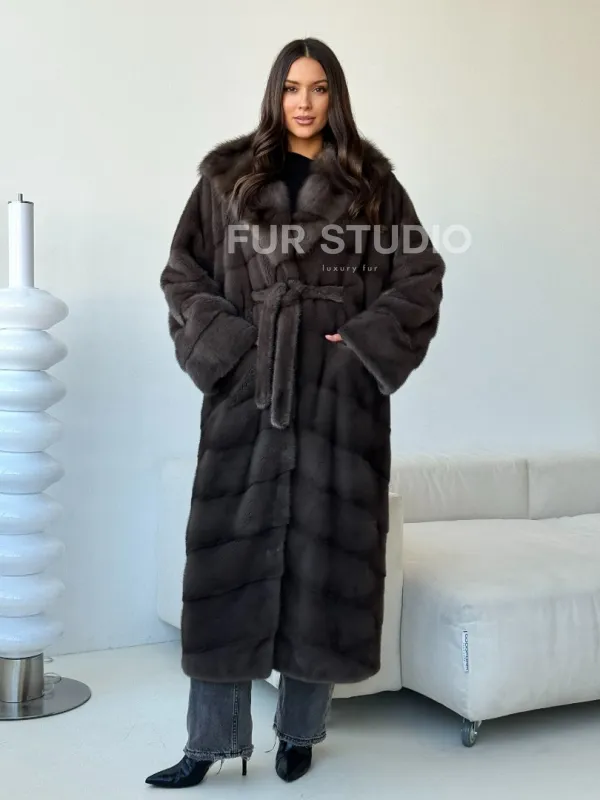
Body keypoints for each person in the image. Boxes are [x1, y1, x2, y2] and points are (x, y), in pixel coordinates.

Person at [146, 37, 445, 788]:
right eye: (291, 87)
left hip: (335, 406)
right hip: (247, 400)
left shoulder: (372, 185)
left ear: (335, 96)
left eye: (317, 88)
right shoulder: (227, 179)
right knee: (228, 567)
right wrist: (233, 345)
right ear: (274, 94)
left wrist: (359, 347)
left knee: (322, 567)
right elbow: (183, 273)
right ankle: (207, 744)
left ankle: (301, 733)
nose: (304, 103)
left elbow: (420, 276)